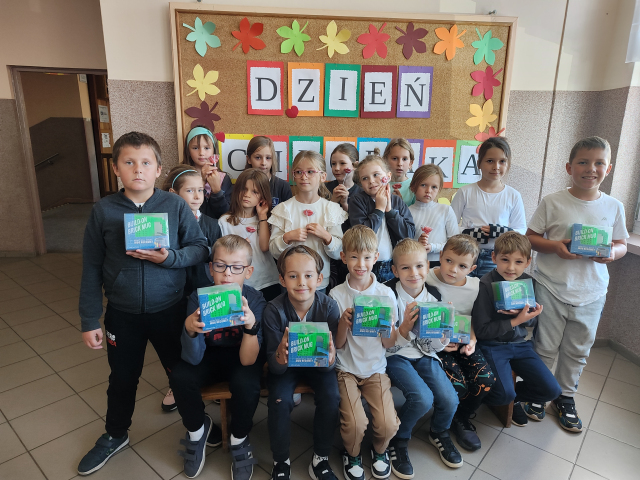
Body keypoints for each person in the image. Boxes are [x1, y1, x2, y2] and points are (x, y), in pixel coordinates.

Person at [77, 132, 209, 475]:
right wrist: (90, 319)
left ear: (158, 169)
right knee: (122, 378)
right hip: (122, 314)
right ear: (116, 169)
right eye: (129, 162)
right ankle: (115, 433)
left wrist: (169, 258)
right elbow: (91, 266)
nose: (138, 169)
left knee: (180, 374)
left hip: (170, 309)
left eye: (146, 162)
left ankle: (198, 426)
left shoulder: (175, 206)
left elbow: (199, 248)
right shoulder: (103, 210)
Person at [527, 136, 628, 432]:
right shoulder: (553, 201)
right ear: (569, 167)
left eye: (599, 163)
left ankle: (565, 397)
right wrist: (557, 247)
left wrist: (612, 253)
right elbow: (531, 237)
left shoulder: (614, 206)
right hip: (551, 286)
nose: (591, 168)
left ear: (608, 169)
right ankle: (539, 391)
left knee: (578, 350)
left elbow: (621, 243)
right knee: (544, 346)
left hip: (592, 292)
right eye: (583, 162)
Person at [171, 235, 265, 479]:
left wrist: (250, 327)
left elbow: (248, 361)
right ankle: (197, 432)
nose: (227, 274)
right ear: (210, 268)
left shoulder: (255, 300)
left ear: (248, 271)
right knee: (180, 376)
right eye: (220, 265)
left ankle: (239, 438)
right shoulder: (198, 298)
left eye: (236, 267)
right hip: (207, 355)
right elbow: (192, 359)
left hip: (240, 357)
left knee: (248, 383)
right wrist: (190, 328)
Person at [384, 239, 462, 477]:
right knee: (422, 398)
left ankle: (439, 431)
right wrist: (405, 328)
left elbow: (432, 346)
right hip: (395, 355)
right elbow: (387, 344)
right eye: (405, 267)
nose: (414, 273)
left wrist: (444, 337)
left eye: (419, 266)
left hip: (424, 354)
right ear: (395, 271)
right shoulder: (387, 294)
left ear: (428, 267)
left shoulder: (434, 296)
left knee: (450, 399)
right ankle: (399, 439)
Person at [263, 245, 340, 480]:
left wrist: (330, 358)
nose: (301, 283)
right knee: (278, 400)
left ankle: (321, 458)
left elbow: (329, 365)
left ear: (319, 279)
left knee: (331, 397)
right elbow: (275, 367)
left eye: (308, 276)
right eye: (293, 276)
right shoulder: (273, 310)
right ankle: (281, 461)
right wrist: (281, 354)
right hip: (286, 368)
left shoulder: (329, 307)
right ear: (282, 280)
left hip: (318, 366)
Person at [329, 225, 400, 480]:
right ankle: (352, 453)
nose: (361, 264)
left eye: (367, 257)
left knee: (388, 423)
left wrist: (388, 326)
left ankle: (380, 451)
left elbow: (389, 344)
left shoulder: (386, 294)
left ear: (376, 257)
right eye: (354, 257)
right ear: (343, 257)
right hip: (345, 369)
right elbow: (337, 345)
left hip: (375, 369)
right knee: (355, 423)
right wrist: (342, 324)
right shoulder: (336, 294)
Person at [472, 232, 561, 427]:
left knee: (552, 390)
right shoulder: (486, 284)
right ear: (494, 257)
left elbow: (530, 324)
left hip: (520, 345)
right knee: (503, 394)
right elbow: (481, 331)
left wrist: (530, 316)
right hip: (492, 346)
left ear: (528, 262)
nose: (511, 268)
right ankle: (495, 397)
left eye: (518, 262)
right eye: (505, 260)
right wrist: (515, 320)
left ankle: (514, 398)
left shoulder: (527, 283)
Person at [160, 165, 222, 412]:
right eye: (189, 190)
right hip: (173, 291)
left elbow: (217, 260)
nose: (197, 196)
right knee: (177, 338)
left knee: (207, 334)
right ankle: (176, 384)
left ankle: (212, 379)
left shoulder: (212, 224)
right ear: (174, 193)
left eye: (201, 190)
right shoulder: (164, 224)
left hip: (204, 287)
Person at [426, 235, 495, 451]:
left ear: (472, 268)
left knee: (486, 380)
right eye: (449, 261)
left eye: (462, 266)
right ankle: (444, 421)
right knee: (458, 385)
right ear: (440, 256)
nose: (453, 269)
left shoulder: (476, 286)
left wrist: (472, 340)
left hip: (463, 341)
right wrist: (438, 343)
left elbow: (474, 318)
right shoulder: (426, 278)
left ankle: (461, 417)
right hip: (436, 345)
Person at [269, 150, 347, 294]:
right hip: (290, 283)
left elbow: (339, 253)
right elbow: (273, 251)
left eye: (310, 172)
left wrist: (326, 237)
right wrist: (287, 238)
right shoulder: (283, 209)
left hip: (319, 282)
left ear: (323, 176)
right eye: (299, 172)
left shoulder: (331, 209)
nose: (304, 176)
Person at [451, 137, 526, 278]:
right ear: (479, 163)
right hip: (465, 254)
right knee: (463, 290)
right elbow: (449, 225)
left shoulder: (513, 195)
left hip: (496, 258)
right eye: (490, 161)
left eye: (502, 161)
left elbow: (521, 230)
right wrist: (468, 233)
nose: (496, 166)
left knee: (489, 291)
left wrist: (504, 232)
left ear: (508, 164)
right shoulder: (465, 192)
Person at [349, 150, 415, 283]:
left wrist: (389, 211)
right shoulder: (357, 201)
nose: (371, 181)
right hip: (365, 265)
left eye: (376, 175)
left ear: (388, 176)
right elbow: (361, 237)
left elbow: (409, 235)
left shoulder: (397, 201)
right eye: (365, 178)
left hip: (392, 265)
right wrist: (379, 209)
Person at [219, 169, 280, 301]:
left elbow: (265, 247)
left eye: (254, 192)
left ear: (262, 195)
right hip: (240, 282)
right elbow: (223, 253)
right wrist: (239, 246)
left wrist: (262, 215)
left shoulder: (267, 219)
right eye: (244, 189)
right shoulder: (225, 221)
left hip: (268, 280)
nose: (247, 195)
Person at [326, 143, 361, 291]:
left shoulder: (361, 191)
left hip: (354, 251)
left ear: (355, 165)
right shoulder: (325, 189)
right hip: (331, 251)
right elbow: (323, 221)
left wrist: (346, 204)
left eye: (342, 163)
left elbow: (360, 225)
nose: (337, 168)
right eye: (333, 164)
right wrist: (333, 201)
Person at [408, 164, 459, 268]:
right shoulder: (407, 212)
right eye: (423, 185)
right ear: (413, 186)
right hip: (414, 263)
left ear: (439, 189)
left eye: (434, 187)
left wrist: (433, 247)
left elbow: (455, 243)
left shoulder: (446, 210)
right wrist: (417, 244)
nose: (428, 190)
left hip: (440, 264)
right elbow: (403, 243)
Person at [183, 126, 233, 219]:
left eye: (206, 148)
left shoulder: (223, 178)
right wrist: (201, 182)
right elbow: (182, 209)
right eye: (195, 148)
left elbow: (227, 215)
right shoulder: (182, 176)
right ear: (188, 150)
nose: (201, 153)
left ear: (214, 150)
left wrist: (217, 191)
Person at [244, 135, 292, 208]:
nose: (263, 163)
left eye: (268, 158)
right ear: (249, 159)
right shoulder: (242, 185)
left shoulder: (283, 187)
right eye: (258, 157)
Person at [383, 138, 416, 206]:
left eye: (404, 159)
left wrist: (400, 204)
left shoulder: (414, 186)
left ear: (410, 163)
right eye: (395, 158)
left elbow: (418, 210)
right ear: (385, 161)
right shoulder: (380, 185)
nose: (400, 164)